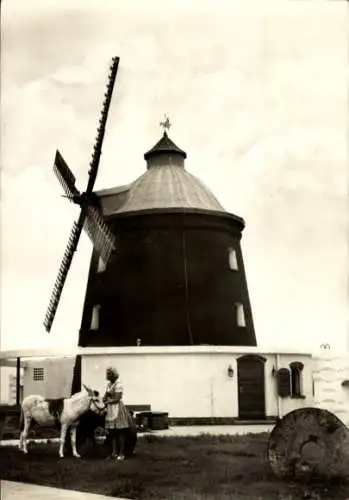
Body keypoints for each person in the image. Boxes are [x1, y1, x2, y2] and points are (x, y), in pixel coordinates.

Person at [103, 367, 130, 461]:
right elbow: (105, 396)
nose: (107, 376)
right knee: (112, 432)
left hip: (117, 408)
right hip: (110, 409)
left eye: (108, 374)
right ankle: (114, 453)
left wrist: (108, 401)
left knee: (120, 432)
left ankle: (121, 454)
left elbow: (117, 398)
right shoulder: (109, 384)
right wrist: (105, 397)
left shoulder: (118, 384)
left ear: (113, 375)